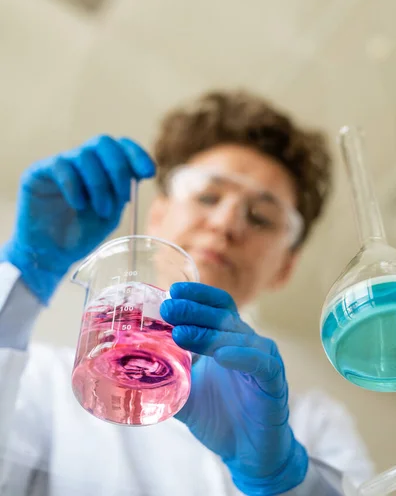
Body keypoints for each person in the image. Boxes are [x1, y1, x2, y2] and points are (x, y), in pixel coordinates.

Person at [0, 90, 373, 495]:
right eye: (208, 196)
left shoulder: (312, 424)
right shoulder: (50, 382)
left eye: (261, 217)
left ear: (285, 267)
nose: (226, 222)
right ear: (157, 216)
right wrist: (24, 277)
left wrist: (285, 478)